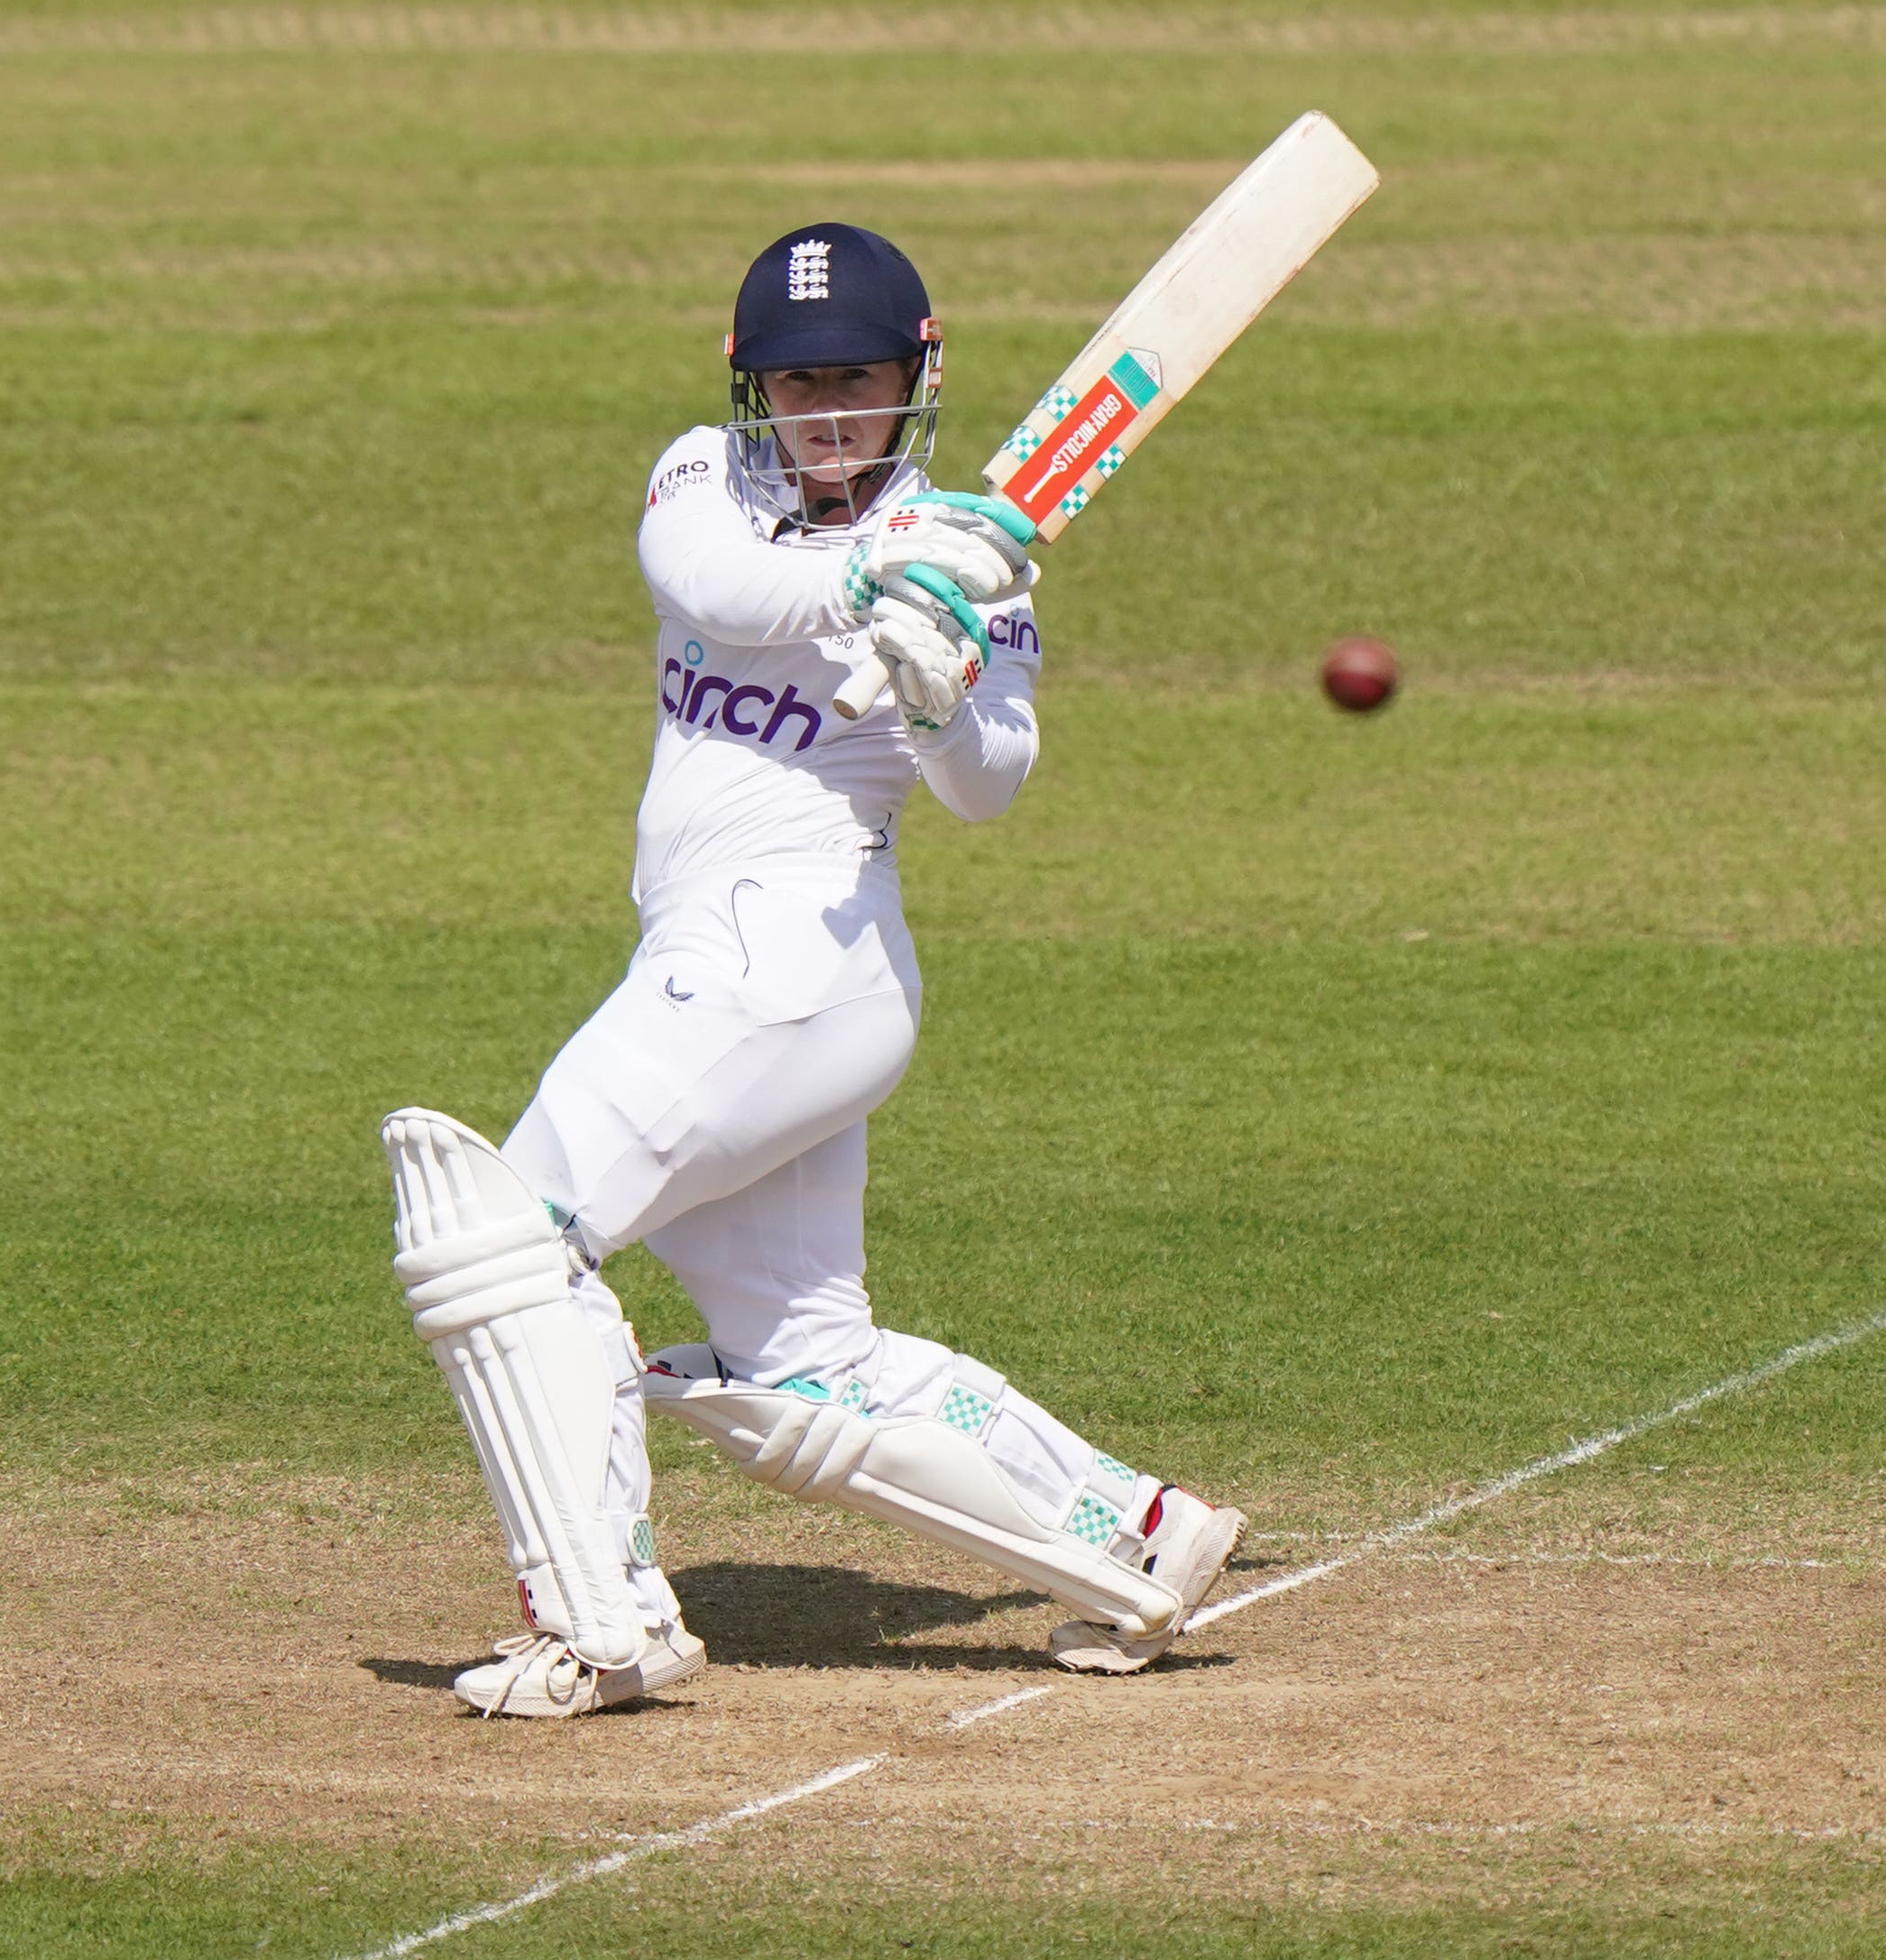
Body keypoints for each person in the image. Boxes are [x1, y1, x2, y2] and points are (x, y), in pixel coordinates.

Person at [378, 223, 1247, 1718]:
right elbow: (712, 584)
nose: (825, 415)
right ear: (745, 388)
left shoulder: (973, 561)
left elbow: (991, 784)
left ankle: (602, 1625)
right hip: (728, 963)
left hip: (799, 958)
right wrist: (878, 581)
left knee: (502, 1242)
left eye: (853, 380)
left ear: (917, 374)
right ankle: (1139, 1534)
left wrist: (938, 691)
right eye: (793, 386)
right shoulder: (708, 483)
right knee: (800, 1379)